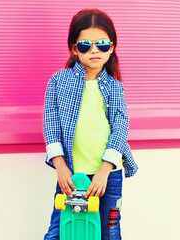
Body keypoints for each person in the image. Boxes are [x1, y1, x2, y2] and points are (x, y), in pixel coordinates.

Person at [43, 8, 138, 240]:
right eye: (85, 44)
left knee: (109, 232)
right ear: (74, 49)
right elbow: (51, 126)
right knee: (60, 231)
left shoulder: (115, 87)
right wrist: (61, 168)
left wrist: (105, 170)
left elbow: (120, 127)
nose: (94, 50)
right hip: (72, 176)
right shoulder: (58, 82)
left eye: (102, 44)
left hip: (108, 176)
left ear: (112, 47)